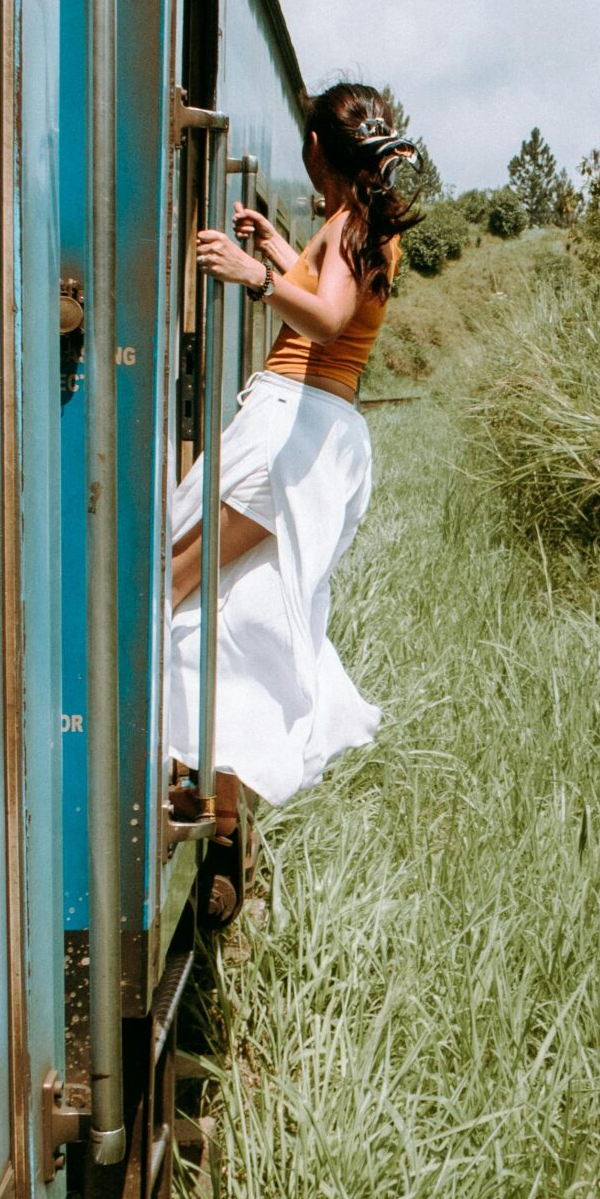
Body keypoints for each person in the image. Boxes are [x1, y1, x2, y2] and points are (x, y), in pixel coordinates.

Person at [160, 82, 419, 887]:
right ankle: (219, 817)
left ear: (315, 149)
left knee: (174, 587)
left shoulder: (347, 228)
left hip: (287, 430)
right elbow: (334, 298)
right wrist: (280, 249)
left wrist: (255, 275)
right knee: (238, 615)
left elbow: (329, 318)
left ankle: (180, 792)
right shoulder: (366, 227)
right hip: (319, 434)